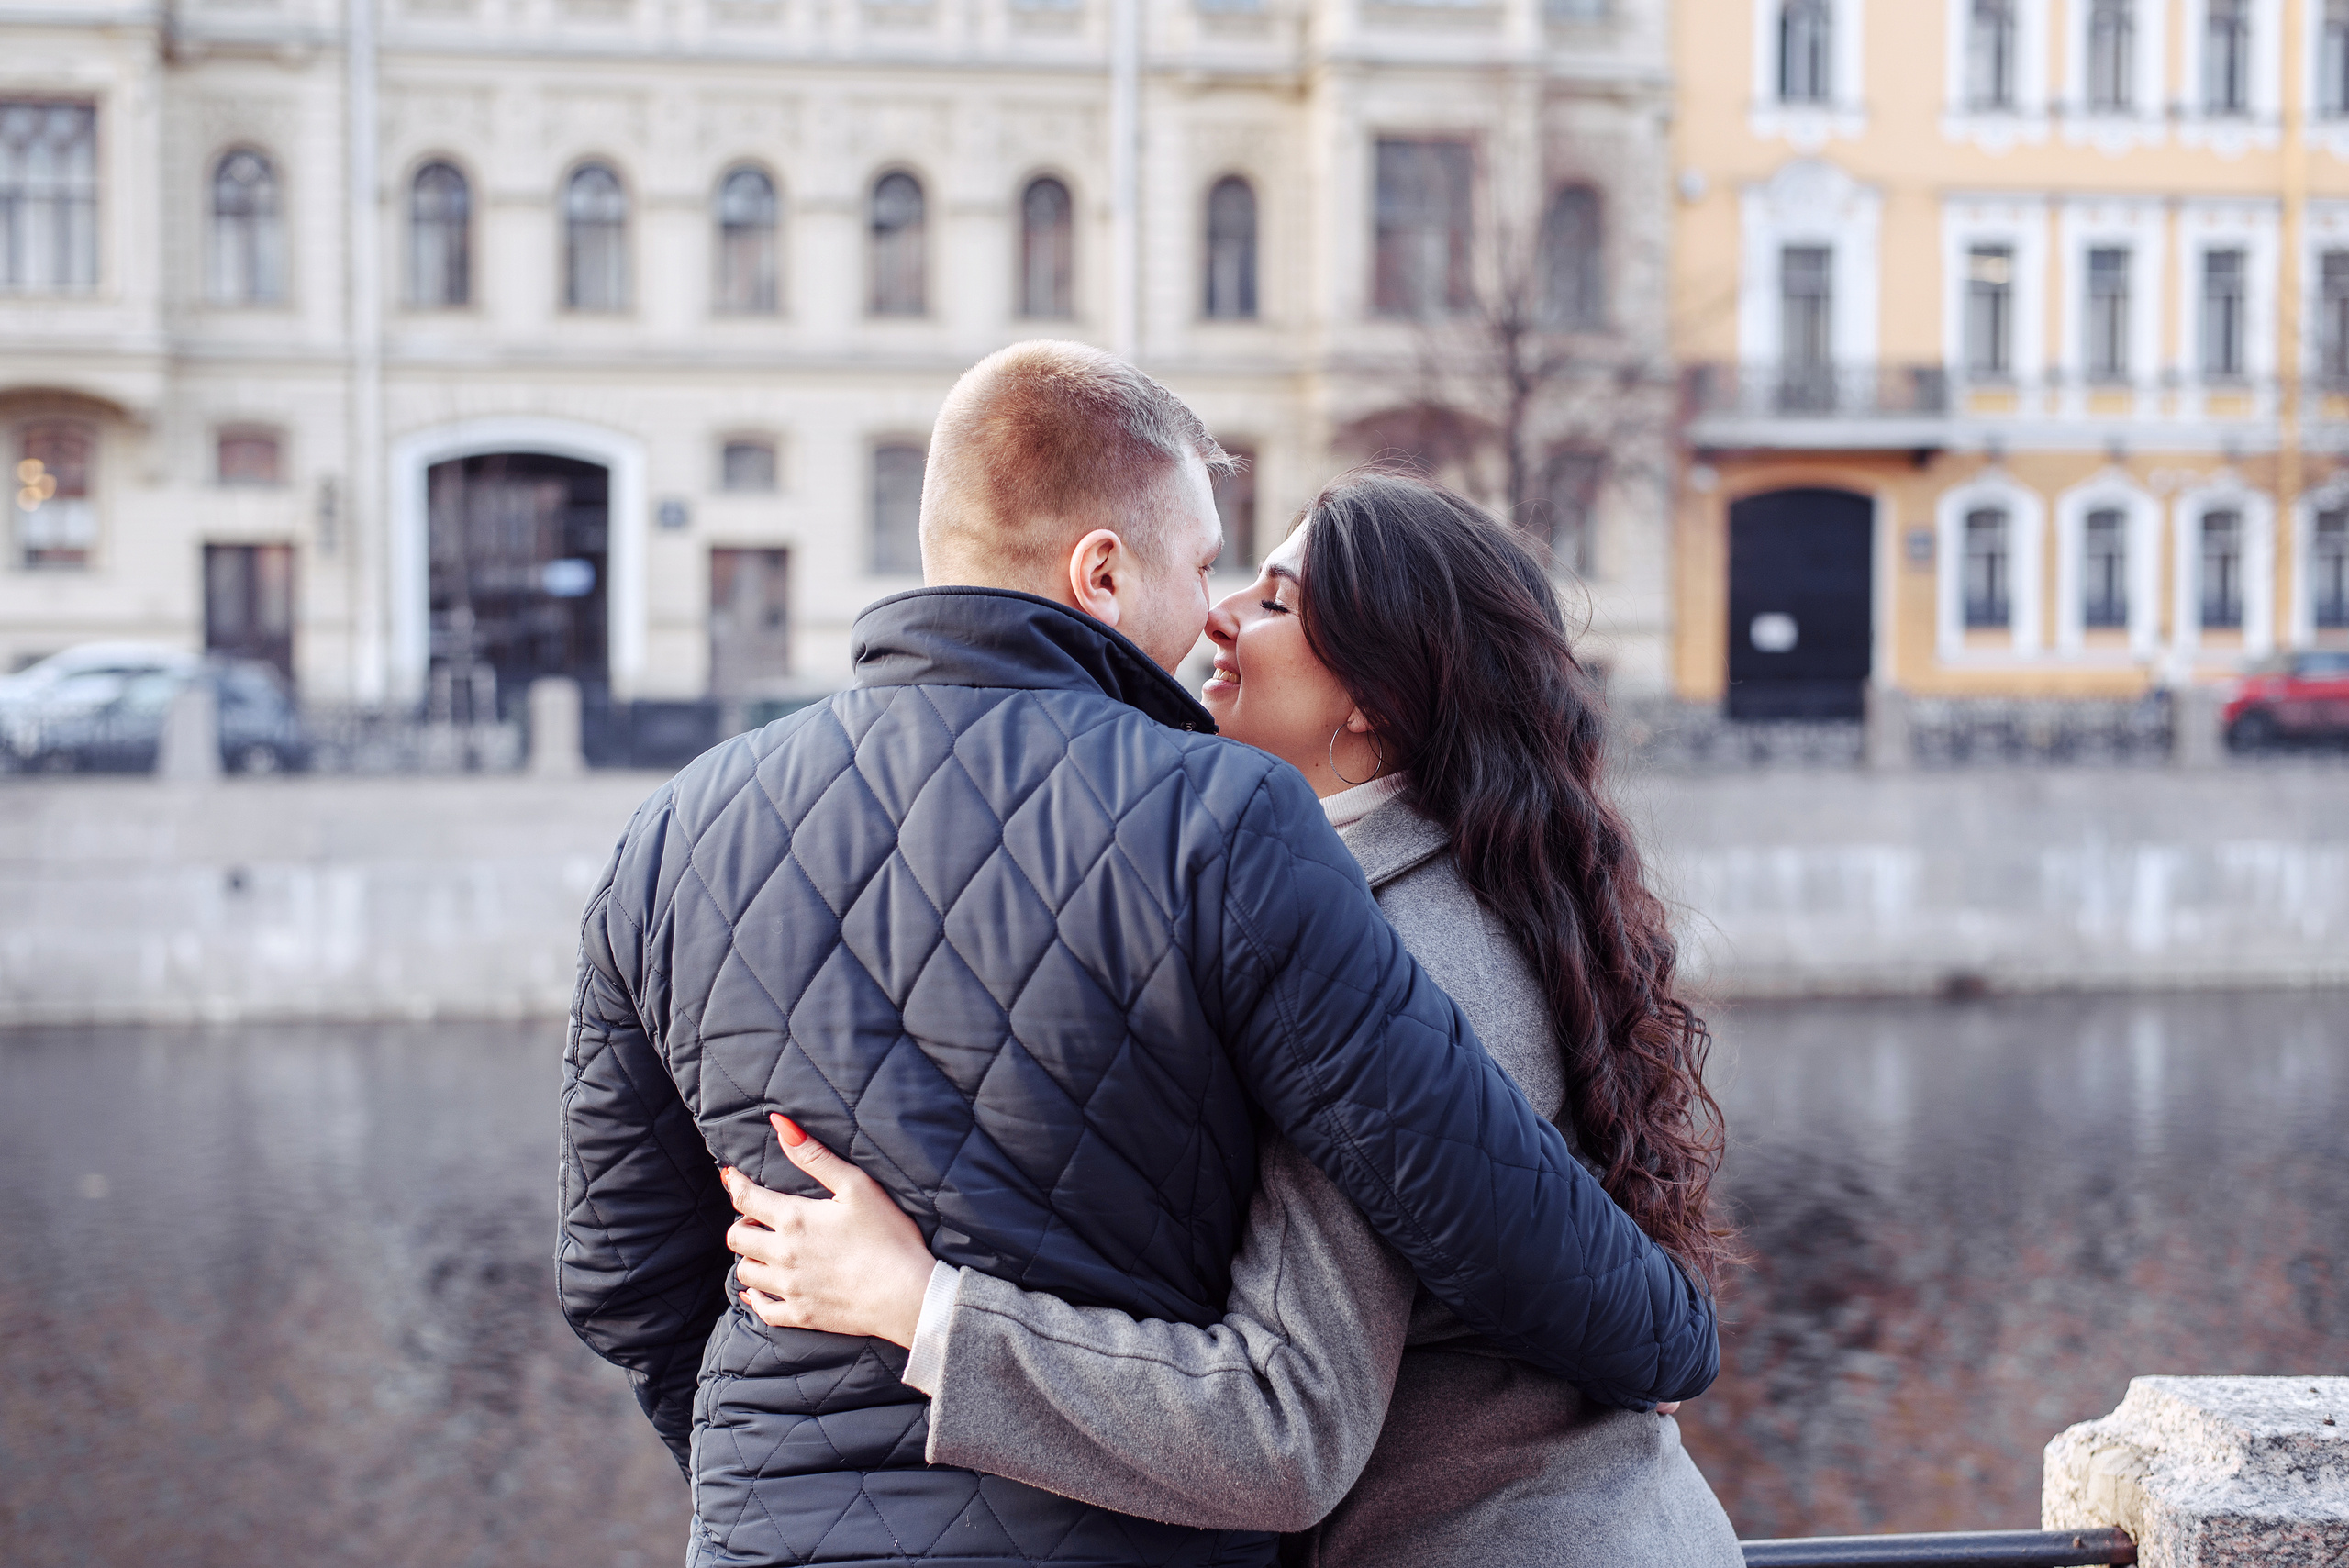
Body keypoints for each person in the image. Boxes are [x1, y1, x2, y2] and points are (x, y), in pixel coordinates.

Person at [558, 343, 1717, 1568]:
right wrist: (1666, 1337)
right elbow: (1496, 1215)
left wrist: (772, 1463)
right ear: (1101, 570)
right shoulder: (1226, 830)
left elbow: (621, 1278)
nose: (1216, 608)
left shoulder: (672, 828)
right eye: (1213, 564)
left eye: (1260, 592)